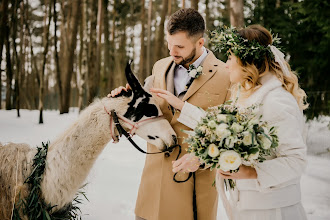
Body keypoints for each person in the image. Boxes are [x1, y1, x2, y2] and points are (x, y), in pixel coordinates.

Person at [154, 24, 308, 220]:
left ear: (247, 61)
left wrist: (250, 172)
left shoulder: (277, 101)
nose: (225, 65)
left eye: (230, 58)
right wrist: (182, 107)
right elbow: (225, 132)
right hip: (243, 207)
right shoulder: (245, 96)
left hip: (274, 211)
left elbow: (296, 161)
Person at [109, 8, 231, 220]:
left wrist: (202, 160)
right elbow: (148, 104)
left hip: (194, 191)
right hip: (153, 186)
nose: (172, 51)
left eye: (180, 47)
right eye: (169, 44)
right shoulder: (160, 66)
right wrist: (126, 96)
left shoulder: (226, 76)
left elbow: (229, 134)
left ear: (200, 43)